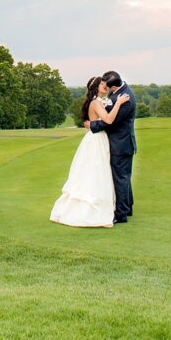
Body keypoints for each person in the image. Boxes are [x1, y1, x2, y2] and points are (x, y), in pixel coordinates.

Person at [49, 76, 131, 228]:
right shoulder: (96, 102)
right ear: (95, 87)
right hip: (96, 140)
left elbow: (96, 121)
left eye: (105, 83)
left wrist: (93, 122)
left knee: (99, 170)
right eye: (101, 83)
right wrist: (118, 103)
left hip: (98, 138)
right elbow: (108, 120)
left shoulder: (99, 101)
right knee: (96, 170)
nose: (105, 85)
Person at [86, 70, 136, 224]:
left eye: (107, 86)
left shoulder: (123, 98)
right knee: (124, 177)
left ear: (113, 85)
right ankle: (127, 208)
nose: (106, 89)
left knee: (120, 178)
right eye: (102, 85)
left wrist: (92, 124)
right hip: (120, 143)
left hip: (120, 144)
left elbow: (110, 121)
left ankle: (121, 214)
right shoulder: (120, 93)